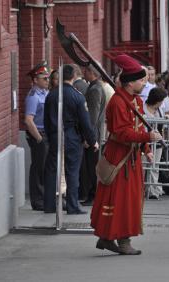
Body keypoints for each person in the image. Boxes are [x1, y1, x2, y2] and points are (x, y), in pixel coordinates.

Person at [90, 55, 162, 255]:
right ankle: (122, 241)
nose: (144, 83)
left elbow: (136, 128)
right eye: (141, 80)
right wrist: (147, 136)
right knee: (120, 200)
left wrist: (146, 148)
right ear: (130, 82)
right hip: (119, 156)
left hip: (132, 156)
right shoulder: (118, 103)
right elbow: (122, 133)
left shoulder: (136, 102)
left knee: (128, 199)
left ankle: (107, 238)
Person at [44, 64, 98, 214]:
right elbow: (85, 123)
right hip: (72, 137)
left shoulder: (51, 95)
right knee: (72, 171)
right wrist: (92, 140)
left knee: (52, 170)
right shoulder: (77, 96)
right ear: (73, 76)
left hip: (55, 135)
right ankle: (72, 205)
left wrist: (50, 137)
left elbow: (46, 121)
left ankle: (49, 204)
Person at [24, 61, 50, 211]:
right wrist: (39, 139)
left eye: (47, 77)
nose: (47, 80)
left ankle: (44, 197)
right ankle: (38, 201)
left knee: (45, 168)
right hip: (39, 135)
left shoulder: (45, 93)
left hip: (46, 133)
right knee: (38, 169)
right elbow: (28, 120)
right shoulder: (34, 96)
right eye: (44, 78)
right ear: (35, 80)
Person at [80, 64, 107, 205]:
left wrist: (88, 137)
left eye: (86, 71)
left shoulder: (95, 89)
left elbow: (93, 116)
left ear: (92, 73)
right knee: (90, 165)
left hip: (93, 133)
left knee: (91, 166)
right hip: (93, 133)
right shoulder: (94, 87)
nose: (84, 73)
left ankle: (93, 194)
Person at [143, 87, 169, 200]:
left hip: (157, 142)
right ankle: (142, 189)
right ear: (157, 100)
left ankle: (153, 190)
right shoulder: (143, 109)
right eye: (162, 100)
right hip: (145, 142)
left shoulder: (159, 110)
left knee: (155, 166)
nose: (163, 102)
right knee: (144, 166)